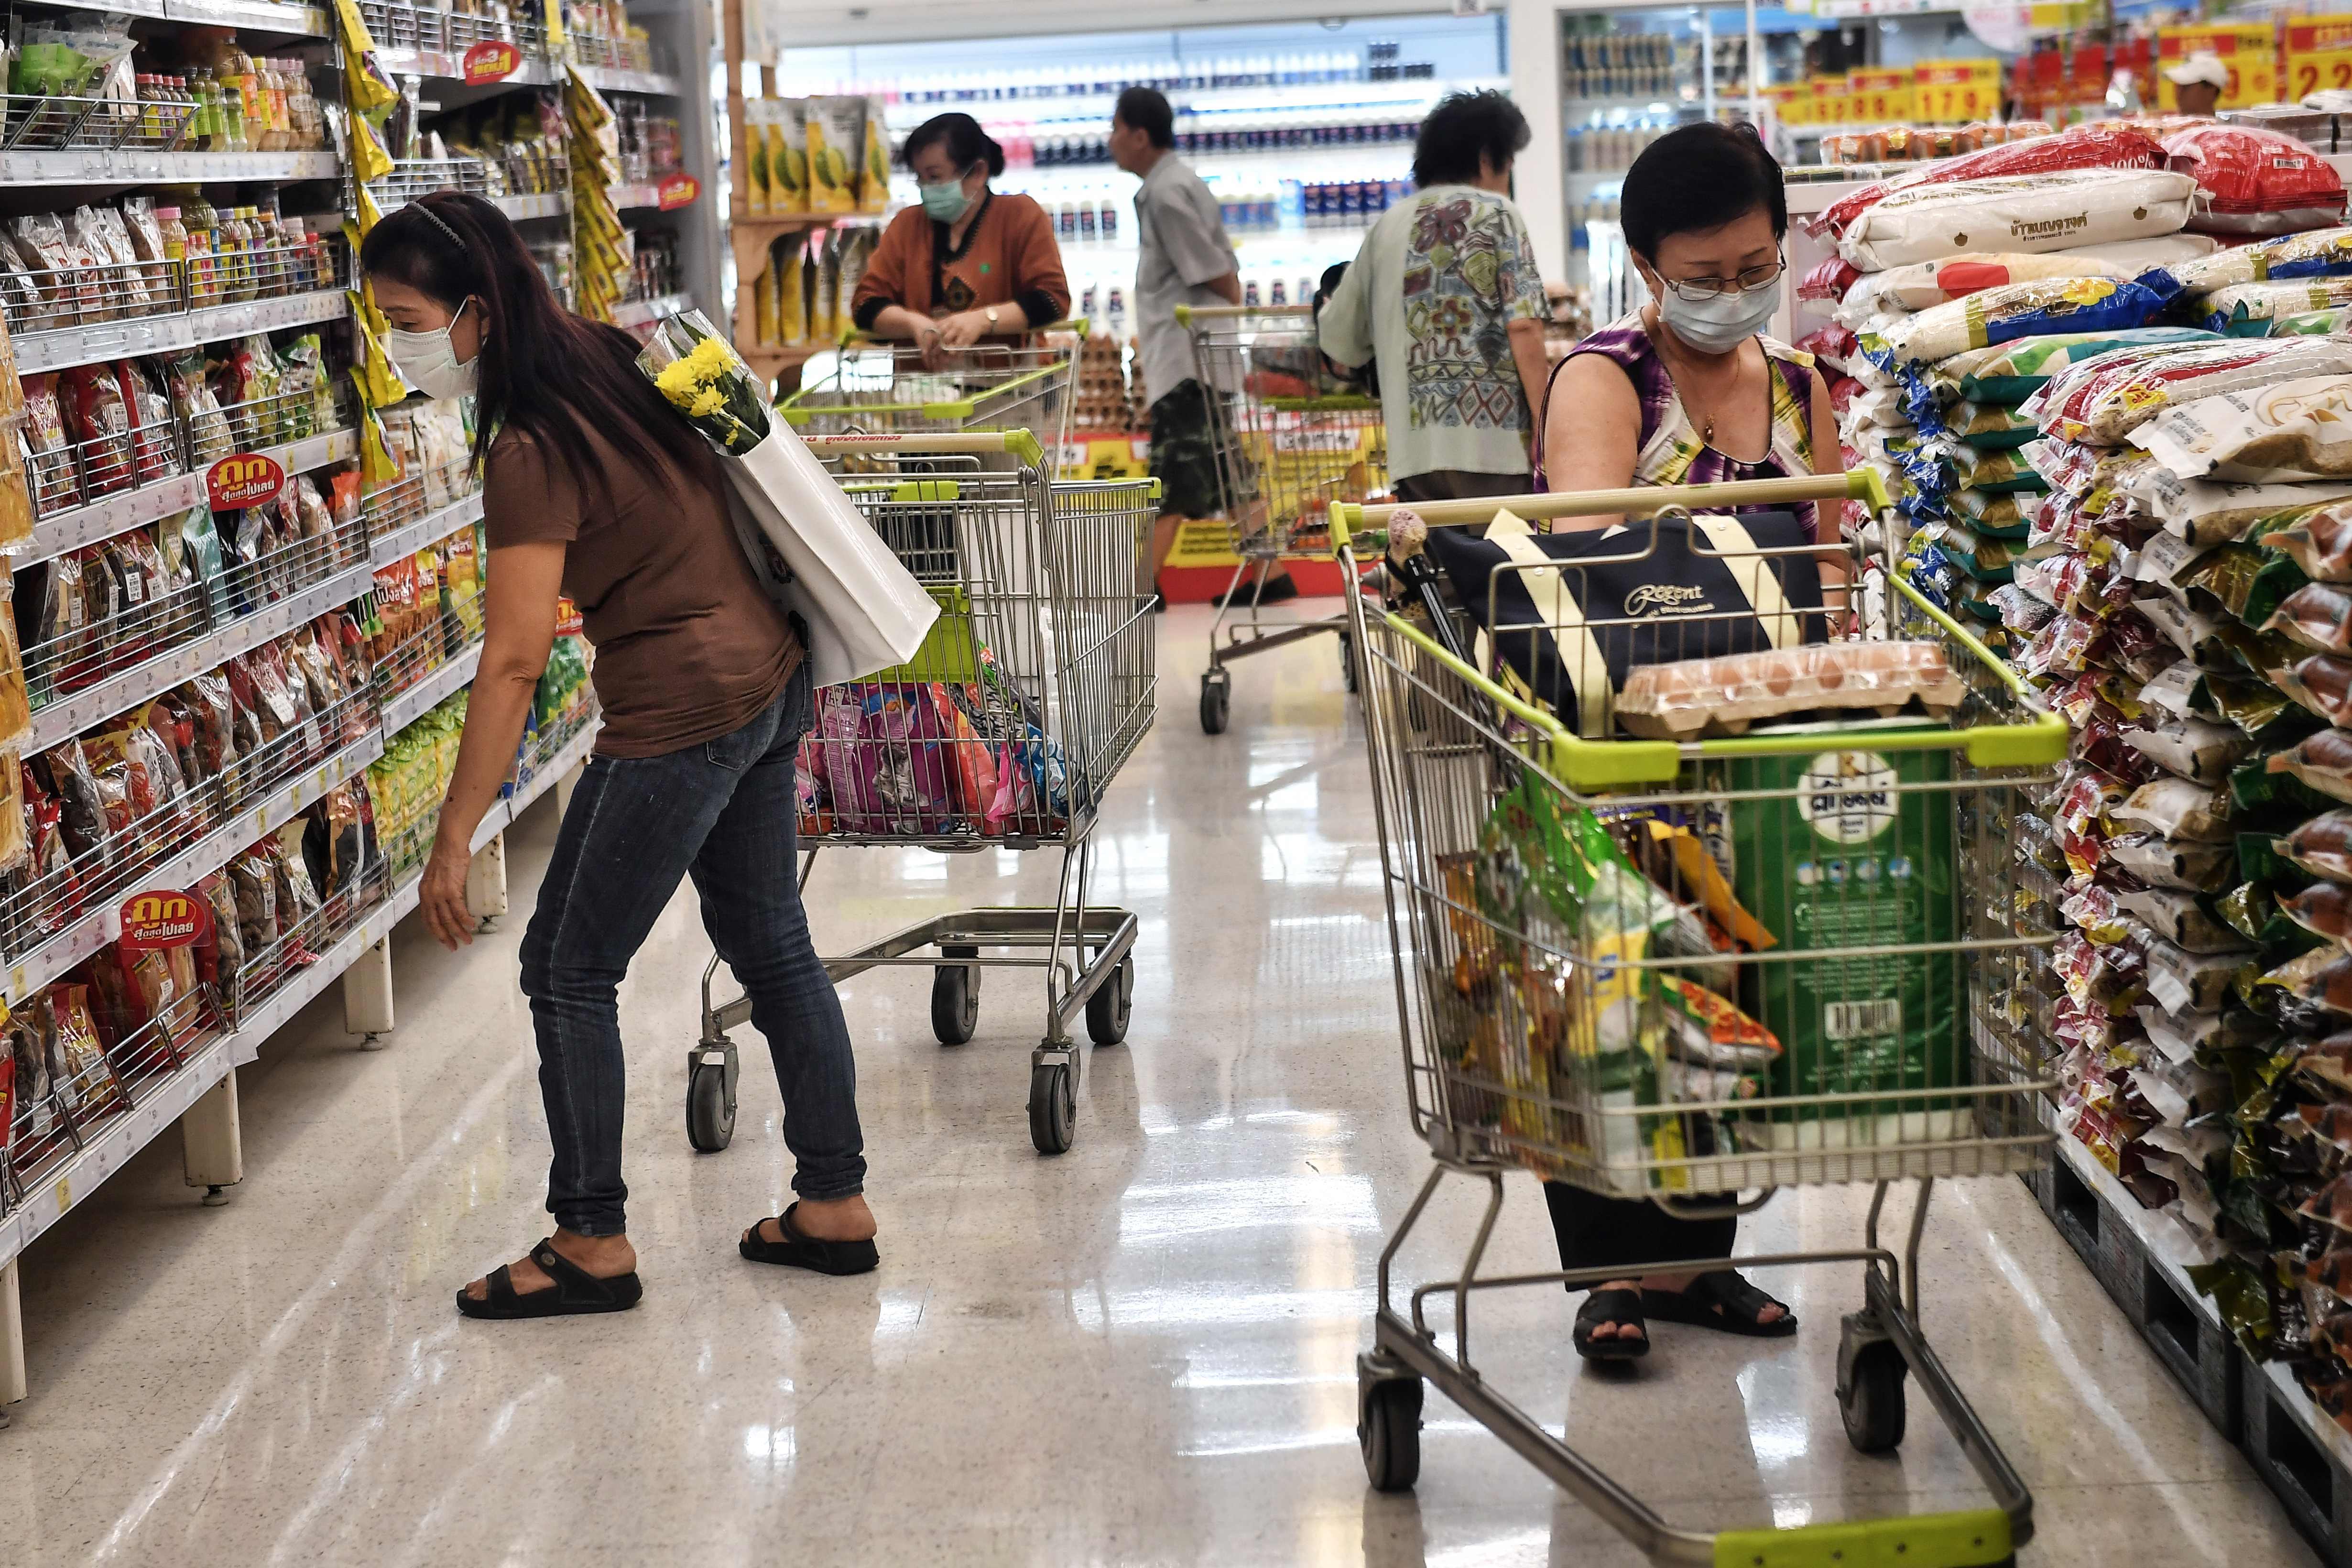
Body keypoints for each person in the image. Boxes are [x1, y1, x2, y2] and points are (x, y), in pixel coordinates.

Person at [360, 192, 879, 1321]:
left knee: (566, 966)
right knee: (772, 942)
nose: (397, 348)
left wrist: (454, 834)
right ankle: (834, 1202)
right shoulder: (606, 356)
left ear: (475, 311)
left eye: (405, 321)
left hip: (683, 711)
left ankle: (589, 1236)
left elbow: (512, 662)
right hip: (768, 672)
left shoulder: (529, 445)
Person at [1535, 122, 1840, 1361]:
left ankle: (1701, 1255)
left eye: (1755, 267)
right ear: (1647, 269)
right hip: (1622, 745)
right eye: (1702, 276)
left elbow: (1832, 562)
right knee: (1618, 986)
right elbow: (1590, 565)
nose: (1733, 292)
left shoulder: (1804, 387)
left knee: (1733, 985)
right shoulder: (1606, 379)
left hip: (1764, 747)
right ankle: (1614, 1267)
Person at [1316, 89, 1553, 506]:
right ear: (1486, 158)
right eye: (1508, 166)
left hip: (1414, 458)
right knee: (1506, 548)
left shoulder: (1387, 225)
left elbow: (1341, 343)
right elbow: (1524, 326)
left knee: (1433, 551)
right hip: (1497, 454)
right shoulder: (1499, 213)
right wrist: (1547, 425)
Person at [1109, 84, 1242, 607]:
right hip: (1197, 358)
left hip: (1190, 363)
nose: (1111, 140)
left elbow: (1213, 271)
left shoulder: (1166, 194)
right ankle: (1273, 573)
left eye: (1117, 129)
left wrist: (1230, 308)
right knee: (1231, 477)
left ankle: (1142, 586)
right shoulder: (1168, 186)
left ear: (1140, 136)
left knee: (1169, 474)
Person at [851, 112, 1071, 371]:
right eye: (920, 178)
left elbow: (1052, 300)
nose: (925, 188)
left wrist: (984, 320)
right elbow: (865, 305)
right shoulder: (907, 226)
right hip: (920, 388)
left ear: (978, 172)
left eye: (934, 177)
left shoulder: (1020, 216)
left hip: (1009, 382)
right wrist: (912, 323)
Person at [2165, 50, 2227, 118]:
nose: (2179, 92)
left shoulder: (2229, 124)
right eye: (2177, 85)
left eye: (2187, 85)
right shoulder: (2165, 123)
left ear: (2212, 90)